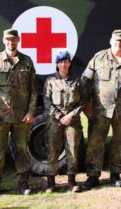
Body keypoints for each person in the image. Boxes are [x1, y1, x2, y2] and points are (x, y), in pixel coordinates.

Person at [81, 29, 121, 190]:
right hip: (100, 110)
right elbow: (84, 81)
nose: (119, 43)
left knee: (120, 143)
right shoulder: (98, 58)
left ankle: (115, 173)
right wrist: (85, 102)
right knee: (95, 143)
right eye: (116, 40)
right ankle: (93, 176)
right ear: (111, 41)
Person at [0, 29, 37, 196]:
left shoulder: (27, 62)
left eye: (14, 40)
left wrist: (31, 111)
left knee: (21, 149)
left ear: (18, 40)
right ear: (3, 40)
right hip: (0, 115)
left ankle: (23, 183)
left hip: (22, 116)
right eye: (8, 40)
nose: (11, 43)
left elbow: (34, 91)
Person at [43, 51, 86, 193]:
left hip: (72, 121)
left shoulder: (77, 81)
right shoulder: (50, 81)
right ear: (57, 64)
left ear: (70, 63)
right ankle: (51, 182)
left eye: (66, 62)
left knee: (73, 150)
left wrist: (71, 115)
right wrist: (59, 116)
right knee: (53, 151)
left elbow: (82, 101)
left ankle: (72, 181)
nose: (63, 64)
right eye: (61, 62)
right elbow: (47, 101)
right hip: (54, 121)